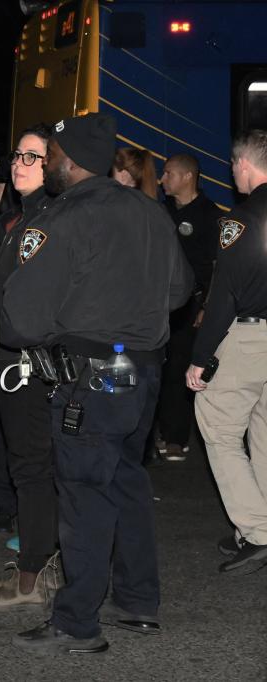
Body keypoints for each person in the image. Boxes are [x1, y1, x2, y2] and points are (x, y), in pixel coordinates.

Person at [0, 113, 192, 655]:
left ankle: (77, 622)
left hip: (91, 377)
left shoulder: (64, 218)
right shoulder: (151, 212)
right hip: (145, 374)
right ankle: (136, 601)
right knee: (126, 481)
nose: (49, 161)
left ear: (71, 159)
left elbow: (22, 319)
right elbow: (179, 290)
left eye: (53, 152)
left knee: (83, 494)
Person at [0, 125, 64, 609]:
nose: (20, 164)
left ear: (55, 164)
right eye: (17, 155)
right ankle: (36, 563)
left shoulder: (50, 218)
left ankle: (33, 578)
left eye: (34, 157)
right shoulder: (18, 218)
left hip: (27, 362)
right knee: (27, 464)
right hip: (6, 358)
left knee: (33, 468)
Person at [186, 129, 267, 576]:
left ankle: (257, 532)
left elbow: (224, 297)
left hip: (253, 335)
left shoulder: (240, 220)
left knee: (216, 425)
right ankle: (259, 522)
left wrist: (201, 357)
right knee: (264, 432)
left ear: (244, 165)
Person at [156, 153, 220, 462]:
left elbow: (217, 267)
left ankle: (176, 438)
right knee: (157, 366)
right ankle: (154, 431)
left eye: (168, 173)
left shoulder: (209, 215)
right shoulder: (161, 210)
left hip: (191, 303)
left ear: (186, 177)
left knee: (180, 368)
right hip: (159, 301)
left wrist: (206, 306)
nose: (162, 179)